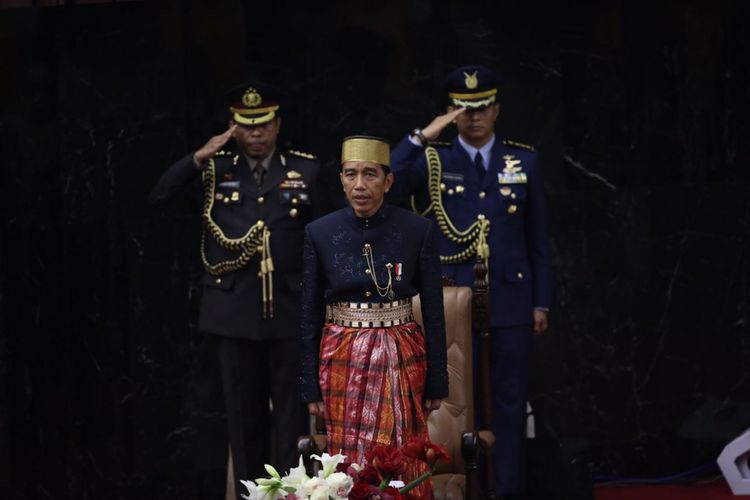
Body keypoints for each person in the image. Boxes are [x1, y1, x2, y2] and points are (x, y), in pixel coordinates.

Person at [149, 81, 325, 497]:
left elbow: (327, 236)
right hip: (233, 314)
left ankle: (293, 495)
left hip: (288, 311)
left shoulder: (308, 170)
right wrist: (197, 158)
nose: (256, 134)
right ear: (233, 128)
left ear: (278, 125)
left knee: (291, 422)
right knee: (243, 422)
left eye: (263, 125)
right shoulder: (215, 170)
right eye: (246, 126)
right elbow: (160, 198)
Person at [388, 65, 551, 500]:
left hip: (512, 301)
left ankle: (508, 489)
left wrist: (542, 303)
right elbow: (389, 179)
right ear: (449, 113)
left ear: (496, 110)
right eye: (463, 109)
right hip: (453, 303)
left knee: (510, 404)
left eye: (482, 108)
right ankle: (455, 489)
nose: (474, 117)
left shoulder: (524, 161)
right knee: (454, 404)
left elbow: (539, 240)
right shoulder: (435, 159)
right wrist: (423, 136)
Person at [300, 136, 449, 493]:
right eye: (351, 174)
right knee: (346, 458)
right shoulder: (319, 232)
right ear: (341, 179)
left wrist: (437, 380)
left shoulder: (418, 230)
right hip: (341, 355)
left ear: (389, 180)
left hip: (401, 352)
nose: (360, 185)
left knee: (402, 452)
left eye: (370, 174)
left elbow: (433, 309)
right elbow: (308, 314)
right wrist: (309, 385)